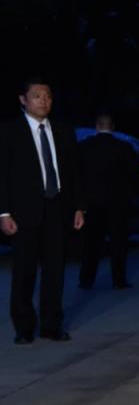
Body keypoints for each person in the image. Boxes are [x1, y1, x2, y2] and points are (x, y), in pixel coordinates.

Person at [0, 78, 84, 344]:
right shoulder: (9, 132)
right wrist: (3, 213)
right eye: (36, 96)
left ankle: (51, 325)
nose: (43, 101)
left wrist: (78, 207)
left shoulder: (63, 130)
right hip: (24, 213)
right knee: (24, 272)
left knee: (55, 272)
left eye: (47, 96)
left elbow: (74, 173)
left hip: (57, 209)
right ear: (23, 100)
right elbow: (2, 175)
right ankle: (24, 328)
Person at [78, 113, 139, 290]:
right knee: (118, 243)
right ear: (113, 127)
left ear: (97, 126)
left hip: (92, 202)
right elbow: (134, 174)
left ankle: (86, 279)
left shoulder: (84, 147)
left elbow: (77, 174)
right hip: (117, 203)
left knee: (91, 243)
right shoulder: (125, 147)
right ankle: (119, 280)